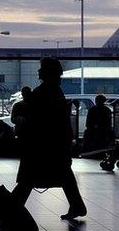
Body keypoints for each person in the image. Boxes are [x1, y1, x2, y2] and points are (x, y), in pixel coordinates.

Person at [12, 58, 87, 220]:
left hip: (42, 144)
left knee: (28, 177)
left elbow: (36, 118)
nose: (38, 71)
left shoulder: (41, 93)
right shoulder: (56, 92)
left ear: (47, 73)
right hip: (56, 143)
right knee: (64, 175)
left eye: (41, 68)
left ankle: (11, 209)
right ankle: (77, 206)